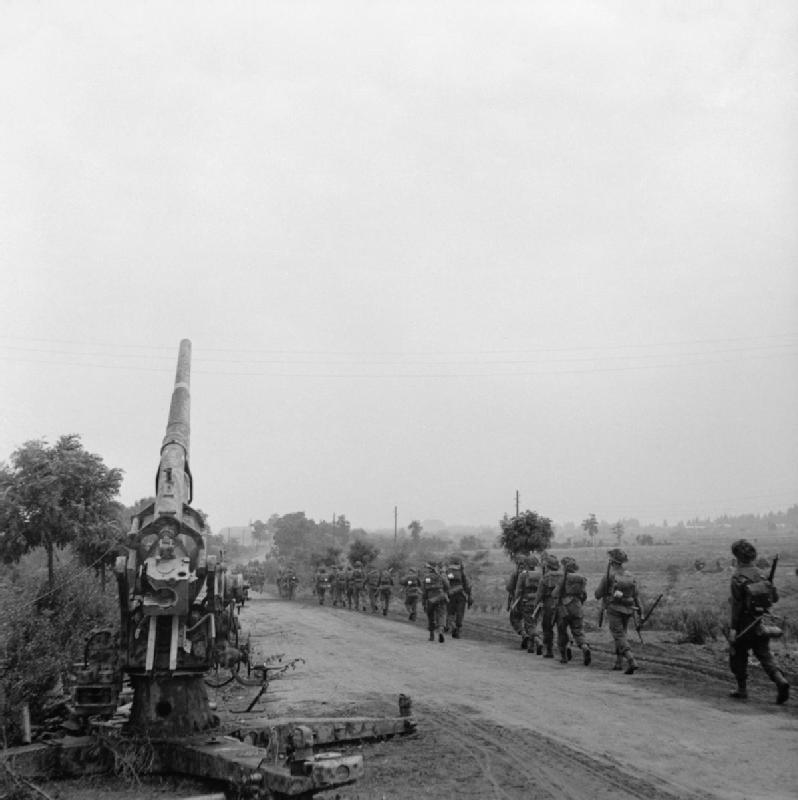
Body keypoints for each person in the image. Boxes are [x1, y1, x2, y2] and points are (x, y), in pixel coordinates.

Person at [728, 539, 789, 704]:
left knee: (737, 654)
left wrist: (733, 629)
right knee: (764, 655)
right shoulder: (761, 574)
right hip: (761, 622)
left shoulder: (737, 577)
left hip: (744, 624)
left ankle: (742, 689)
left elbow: (737, 605)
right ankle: (780, 680)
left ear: (737, 557)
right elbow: (775, 598)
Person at [594, 549, 639, 674]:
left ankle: (631, 660)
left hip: (614, 608)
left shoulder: (609, 576)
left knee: (618, 635)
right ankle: (618, 662)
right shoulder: (630, 575)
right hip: (629, 609)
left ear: (611, 561)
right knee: (621, 635)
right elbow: (636, 595)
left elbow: (597, 594)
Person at [551, 556, 591, 665]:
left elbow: (554, 594)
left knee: (562, 633)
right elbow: (584, 595)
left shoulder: (564, 578)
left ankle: (564, 657)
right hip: (577, 607)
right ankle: (584, 647)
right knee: (578, 631)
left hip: (564, 609)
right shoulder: (581, 579)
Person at [512, 555, 542, 654]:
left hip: (526, 602)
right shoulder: (540, 575)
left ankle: (537, 641)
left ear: (526, 564)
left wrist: (515, 603)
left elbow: (518, 590)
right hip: (537, 603)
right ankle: (530, 647)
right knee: (533, 623)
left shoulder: (523, 575)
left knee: (529, 625)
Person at [534, 554, 562, 658]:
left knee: (547, 627)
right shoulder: (564, 575)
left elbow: (539, 594)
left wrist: (536, 606)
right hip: (562, 603)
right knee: (562, 627)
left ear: (547, 566)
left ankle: (549, 650)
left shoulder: (546, 577)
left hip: (549, 604)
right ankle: (565, 648)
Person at [444, 555, 473, 638]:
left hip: (451, 595)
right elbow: (467, 585)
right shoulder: (462, 572)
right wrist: (469, 595)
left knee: (450, 613)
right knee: (460, 613)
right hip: (461, 595)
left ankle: (453, 628)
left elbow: (444, 583)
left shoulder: (447, 571)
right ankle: (458, 629)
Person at [421, 562, 450, 642]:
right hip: (441, 597)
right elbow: (447, 586)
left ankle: (432, 635)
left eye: (427, 568)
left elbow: (424, 591)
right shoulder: (440, 576)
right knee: (441, 615)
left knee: (431, 616)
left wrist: (423, 602)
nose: (426, 569)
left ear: (429, 568)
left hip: (430, 599)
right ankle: (440, 631)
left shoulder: (426, 577)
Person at [506, 553, 528, 642]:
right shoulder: (532, 573)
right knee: (529, 621)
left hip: (518, 601)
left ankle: (523, 634)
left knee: (514, 619)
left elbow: (509, 588)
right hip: (531, 601)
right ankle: (530, 639)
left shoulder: (515, 574)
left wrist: (510, 603)